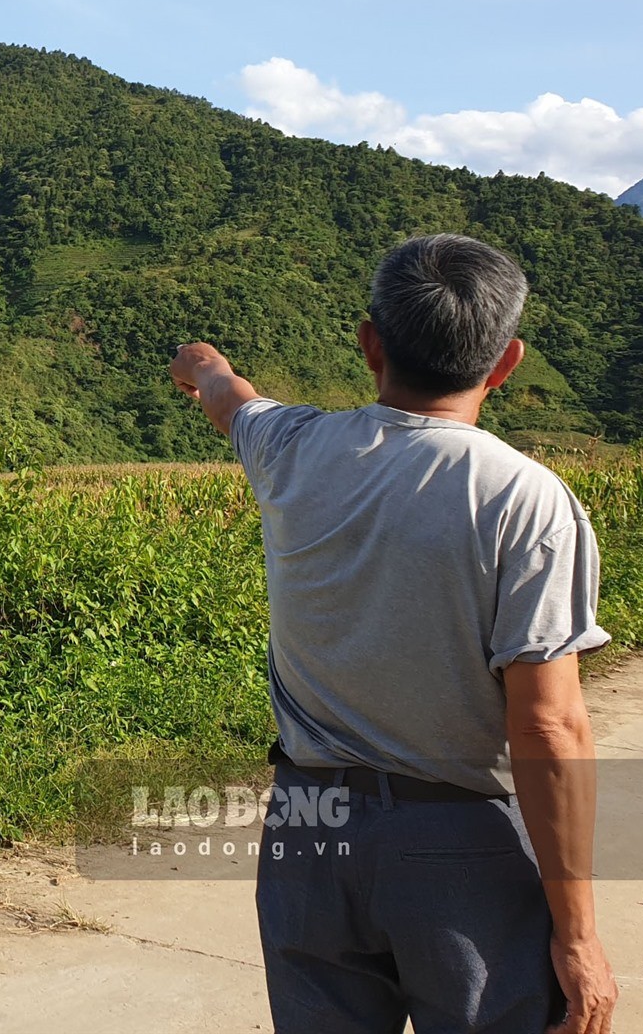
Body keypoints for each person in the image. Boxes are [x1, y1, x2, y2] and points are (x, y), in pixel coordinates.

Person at [168, 233, 618, 1034]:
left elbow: (228, 396)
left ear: (370, 342)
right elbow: (547, 724)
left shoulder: (291, 448)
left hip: (307, 832)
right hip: (453, 840)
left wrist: (199, 363)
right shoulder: (524, 498)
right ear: (507, 361)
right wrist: (577, 936)